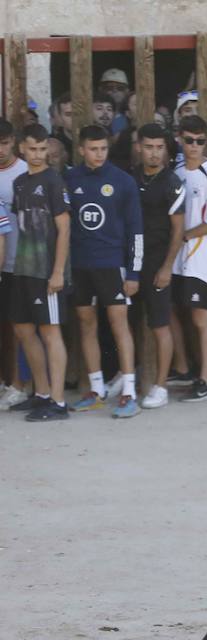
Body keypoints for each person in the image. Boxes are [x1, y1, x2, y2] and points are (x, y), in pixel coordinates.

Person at [66, 125, 144, 417]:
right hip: (81, 265)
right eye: (93, 149)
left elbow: (136, 231)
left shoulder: (122, 182)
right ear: (82, 149)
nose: (98, 154)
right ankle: (97, 388)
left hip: (113, 265)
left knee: (118, 324)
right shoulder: (70, 178)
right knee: (86, 323)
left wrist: (134, 273)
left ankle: (129, 392)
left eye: (103, 149)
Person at [7, 124, 71, 421]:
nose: (37, 154)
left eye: (42, 149)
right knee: (23, 329)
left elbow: (64, 228)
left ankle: (57, 402)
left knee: (50, 331)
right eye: (32, 149)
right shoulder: (19, 182)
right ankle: (42, 393)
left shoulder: (54, 181)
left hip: (46, 270)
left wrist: (58, 272)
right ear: (22, 148)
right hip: (23, 268)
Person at [171, 115, 207, 403]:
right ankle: (183, 368)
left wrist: (183, 235)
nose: (194, 146)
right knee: (171, 311)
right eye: (189, 140)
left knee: (200, 316)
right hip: (175, 257)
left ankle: (205, 380)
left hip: (200, 257)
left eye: (200, 141)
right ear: (180, 138)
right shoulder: (176, 169)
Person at [130, 124, 186, 410]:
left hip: (157, 262)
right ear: (139, 147)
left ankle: (160, 386)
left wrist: (167, 266)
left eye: (159, 147)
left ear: (166, 150)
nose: (154, 153)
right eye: (149, 146)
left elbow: (178, 230)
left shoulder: (172, 182)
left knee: (160, 325)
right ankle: (129, 380)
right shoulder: (130, 177)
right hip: (130, 262)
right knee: (126, 323)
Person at [0, 118, 32, 409]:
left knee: (18, 327)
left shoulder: (25, 173)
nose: (0, 149)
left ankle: (18, 384)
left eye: (5, 142)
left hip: (19, 264)